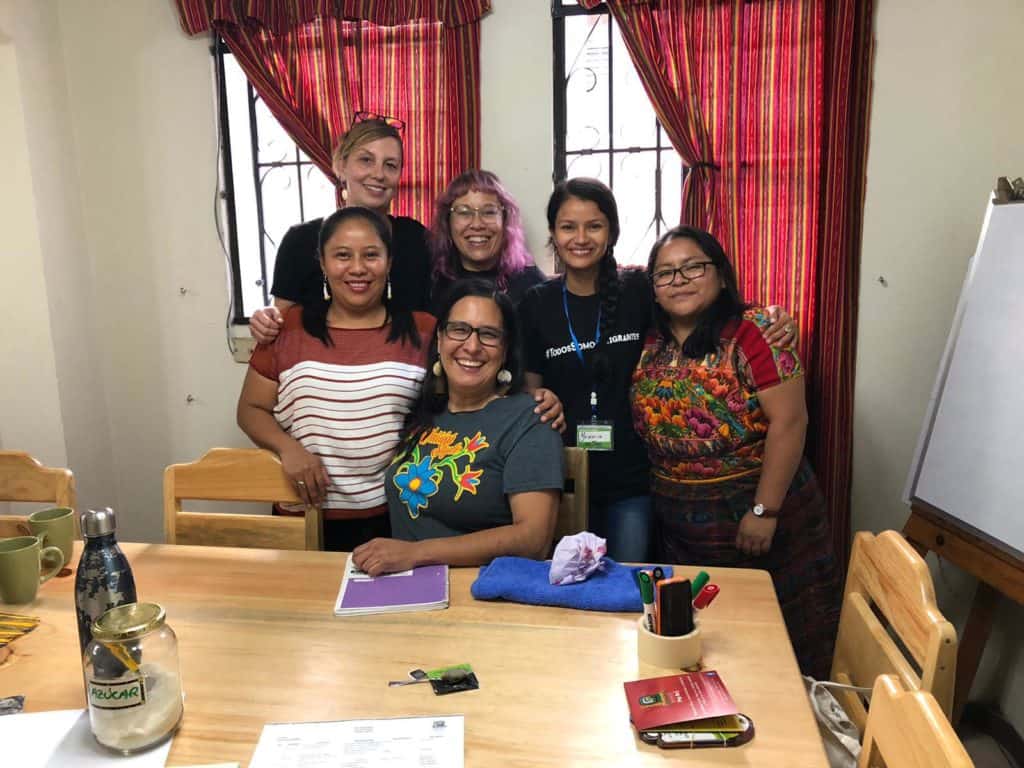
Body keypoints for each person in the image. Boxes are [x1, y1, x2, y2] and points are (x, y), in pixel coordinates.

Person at [520, 177, 796, 563]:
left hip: (634, 482)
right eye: (568, 226)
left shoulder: (638, 289)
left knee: (630, 587)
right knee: (570, 598)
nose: (580, 238)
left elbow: (703, 304)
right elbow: (528, 393)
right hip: (560, 477)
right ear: (552, 233)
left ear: (612, 232)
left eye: (594, 225)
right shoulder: (536, 303)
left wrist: (771, 318)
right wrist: (537, 398)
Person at [630, 225, 840, 678]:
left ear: (721, 275)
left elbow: (790, 421)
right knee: (704, 642)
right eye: (665, 273)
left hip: (757, 511)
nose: (679, 279)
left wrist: (765, 511)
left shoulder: (756, 331)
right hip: (680, 524)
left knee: (779, 642)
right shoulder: (651, 340)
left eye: (693, 267)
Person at [238, 207, 435, 552]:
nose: (357, 268)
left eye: (371, 255)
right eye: (342, 255)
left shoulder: (422, 330)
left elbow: (463, 402)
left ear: (389, 263)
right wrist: (289, 449)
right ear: (323, 263)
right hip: (302, 516)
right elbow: (250, 409)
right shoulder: (289, 327)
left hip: (394, 517)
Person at [352, 279, 564, 576]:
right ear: (439, 340)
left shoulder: (530, 418)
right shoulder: (420, 412)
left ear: (505, 350)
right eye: (459, 330)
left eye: (489, 335)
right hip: (401, 587)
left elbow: (533, 540)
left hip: (484, 593)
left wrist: (416, 554)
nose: (472, 346)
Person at [249, 116, 431, 343]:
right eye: (366, 160)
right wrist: (266, 321)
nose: (378, 174)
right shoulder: (300, 242)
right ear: (341, 166)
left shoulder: (418, 240)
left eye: (390, 165)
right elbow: (281, 327)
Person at [427, 170, 547, 310]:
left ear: (505, 220)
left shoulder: (532, 287)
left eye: (489, 212)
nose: (477, 224)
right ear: (447, 222)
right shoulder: (431, 283)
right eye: (464, 212)